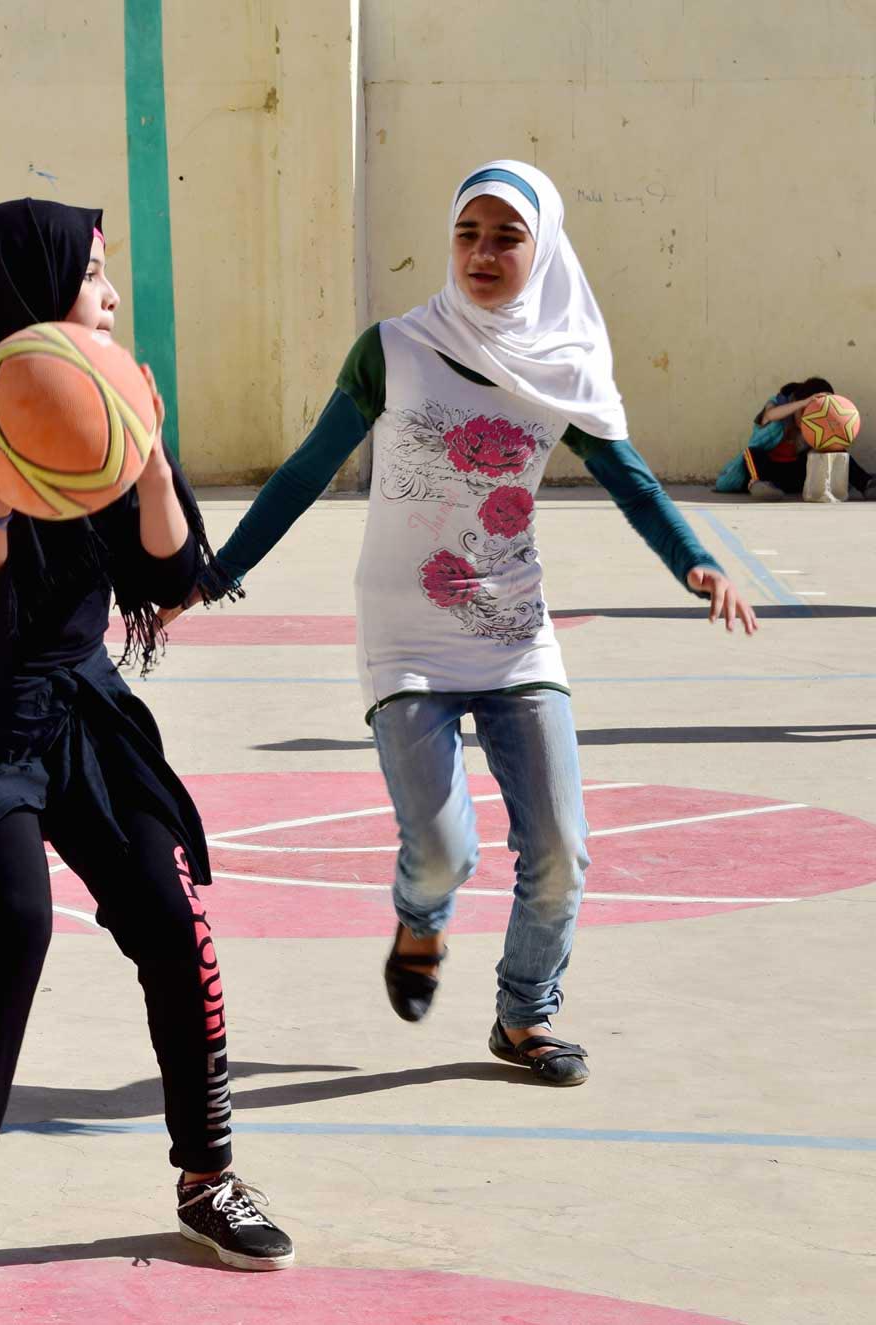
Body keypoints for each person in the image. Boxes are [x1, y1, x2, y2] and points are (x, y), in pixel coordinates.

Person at [217, 160, 759, 1089]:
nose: (482, 253)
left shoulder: (563, 366)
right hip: (406, 639)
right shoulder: (393, 348)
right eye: (468, 233)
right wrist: (219, 569)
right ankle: (420, 918)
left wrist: (693, 561)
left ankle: (526, 1014)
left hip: (513, 631)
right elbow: (309, 468)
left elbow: (629, 477)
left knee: (560, 846)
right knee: (442, 848)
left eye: (507, 237)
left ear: (541, 250)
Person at [0, 199, 293, 1322]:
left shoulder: (105, 410)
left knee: (173, 920)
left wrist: (151, 452)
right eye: (92, 277)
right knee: (14, 918)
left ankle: (208, 1179)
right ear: (26, 297)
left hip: (82, 704)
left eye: (108, 278)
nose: (111, 297)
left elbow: (170, 583)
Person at [712, 377, 871, 500]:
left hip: (793, 474)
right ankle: (760, 486)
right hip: (767, 472)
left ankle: (867, 484)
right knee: (752, 453)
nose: (804, 421)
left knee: (836, 450)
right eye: (803, 414)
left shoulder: (813, 428)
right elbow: (770, 415)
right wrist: (805, 403)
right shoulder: (776, 404)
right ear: (796, 402)